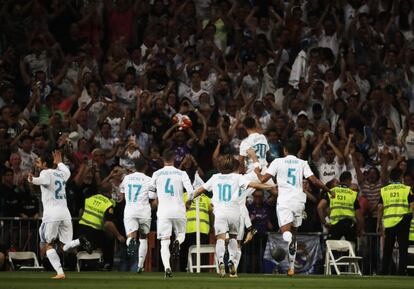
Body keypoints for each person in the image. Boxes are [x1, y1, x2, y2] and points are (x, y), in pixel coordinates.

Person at [248, 140, 334, 276]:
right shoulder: (303, 163)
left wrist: (257, 172)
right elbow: (314, 180)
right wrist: (328, 190)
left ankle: (286, 237)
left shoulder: (278, 162)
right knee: (294, 236)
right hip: (299, 201)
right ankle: (291, 268)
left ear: (285, 151)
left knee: (285, 233)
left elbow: (264, 179)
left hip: (285, 201)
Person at [187, 155, 275, 278]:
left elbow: (199, 190)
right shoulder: (237, 177)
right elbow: (255, 185)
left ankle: (221, 261)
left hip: (220, 213)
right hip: (234, 212)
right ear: (233, 166)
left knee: (220, 239)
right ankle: (232, 262)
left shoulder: (215, 177)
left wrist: (190, 199)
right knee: (233, 237)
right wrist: (271, 186)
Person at [28, 151, 91, 279]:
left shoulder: (45, 172)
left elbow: (41, 180)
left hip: (52, 214)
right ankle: (79, 241)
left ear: (45, 163)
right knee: (64, 246)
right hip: (65, 213)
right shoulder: (61, 173)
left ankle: (60, 273)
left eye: (39, 161)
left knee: (48, 245)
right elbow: (68, 172)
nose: (37, 163)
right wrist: (60, 163)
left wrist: (32, 179)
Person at [148, 149, 194, 278]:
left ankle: (167, 268)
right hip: (179, 209)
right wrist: (189, 202)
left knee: (164, 241)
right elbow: (191, 192)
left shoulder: (156, 174)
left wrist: (160, 196)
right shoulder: (182, 173)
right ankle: (178, 242)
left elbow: (151, 194)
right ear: (174, 159)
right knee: (181, 234)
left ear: (163, 159)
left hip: (163, 212)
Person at [78, 182, 126, 270]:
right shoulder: (108, 204)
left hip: (80, 230)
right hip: (94, 233)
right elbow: (108, 223)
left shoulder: (89, 198)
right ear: (111, 191)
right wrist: (119, 236)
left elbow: (81, 212)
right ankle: (107, 264)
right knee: (110, 237)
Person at [119, 157, 154, 273]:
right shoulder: (149, 179)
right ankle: (140, 266)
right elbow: (152, 197)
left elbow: (121, 192)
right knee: (143, 238)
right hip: (144, 211)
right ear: (146, 167)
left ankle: (131, 242)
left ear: (135, 166)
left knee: (130, 236)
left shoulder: (127, 178)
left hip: (130, 210)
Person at [377, 168, 414, 275]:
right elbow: (412, 206)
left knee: (387, 249)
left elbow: (380, 208)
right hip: (403, 221)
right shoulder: (407, 189)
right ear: (400, 178)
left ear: (390, 178)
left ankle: (384, 271)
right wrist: (411, 217)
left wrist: (378, 223)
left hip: (389, 223)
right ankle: (401, 272)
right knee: (403, 249)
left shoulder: (384, 190)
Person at [317, 171, 364, 244]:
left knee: (332, 250)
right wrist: (359, 229)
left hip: (335, 226)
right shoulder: (353, 194)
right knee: (351, 251)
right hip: (349, 226)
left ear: (340, 180)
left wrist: (325, 223)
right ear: (350, 180)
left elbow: (319, 207)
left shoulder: (332, 191)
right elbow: (359, 217)